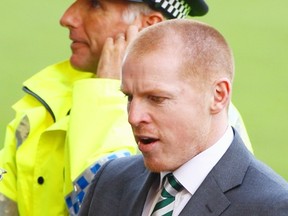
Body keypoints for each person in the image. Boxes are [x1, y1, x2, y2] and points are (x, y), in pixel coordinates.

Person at [0, 0, 252, 216]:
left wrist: (104, 93)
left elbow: (105, 205)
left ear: (149, 26)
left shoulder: (206, 121)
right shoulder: (44, 97)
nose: (67, 18)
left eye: (95, 4)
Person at [79, 19, 288, 216]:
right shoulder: (110, 180)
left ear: (218, 96)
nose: (133, 117)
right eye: (129, 97)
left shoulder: (273, 207)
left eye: (156, 98)